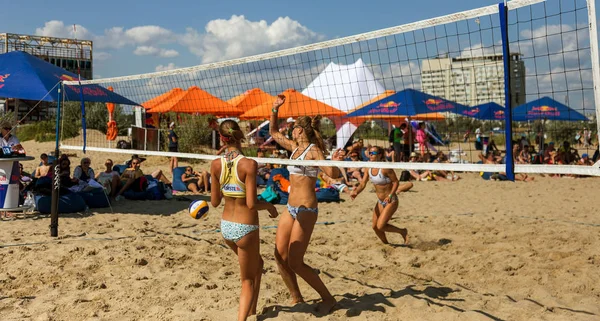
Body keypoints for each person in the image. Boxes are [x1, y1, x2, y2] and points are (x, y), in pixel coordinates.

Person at [269, 95, 343, 314]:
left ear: (300, 130)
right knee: (279, 255)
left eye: (293, 127)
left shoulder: (313, 151)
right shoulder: (293, 147)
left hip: (306, 209)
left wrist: (335, 163)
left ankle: (329, 299)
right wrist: (275, 109)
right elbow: (273, 133)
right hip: (290, 208)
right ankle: (296, 297)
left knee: (295, 261)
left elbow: (332, 174)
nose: (291, 130)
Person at [210, 119, 278, 321]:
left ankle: (252, 310)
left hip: (226, 227)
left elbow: (214, 202)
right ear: (238, 135)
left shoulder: (215, 164)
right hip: (245, 227)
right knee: (247, 280)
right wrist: (269, 206)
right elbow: (251, 204)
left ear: (221, 138)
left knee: (258, 264)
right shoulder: (249, 164)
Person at [351, 146, 410, 244]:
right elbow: (363, 184)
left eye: (373, 153)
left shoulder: (385, 168)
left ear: (380, 155)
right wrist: (356, 192)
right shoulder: (368, 167)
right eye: (369, 153)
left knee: (381, 226)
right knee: (375, 227)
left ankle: (402, 231)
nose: (370, 155)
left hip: (391, 200)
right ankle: (387, 245)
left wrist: (390, 195)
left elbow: (396, 182)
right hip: (380, 201)